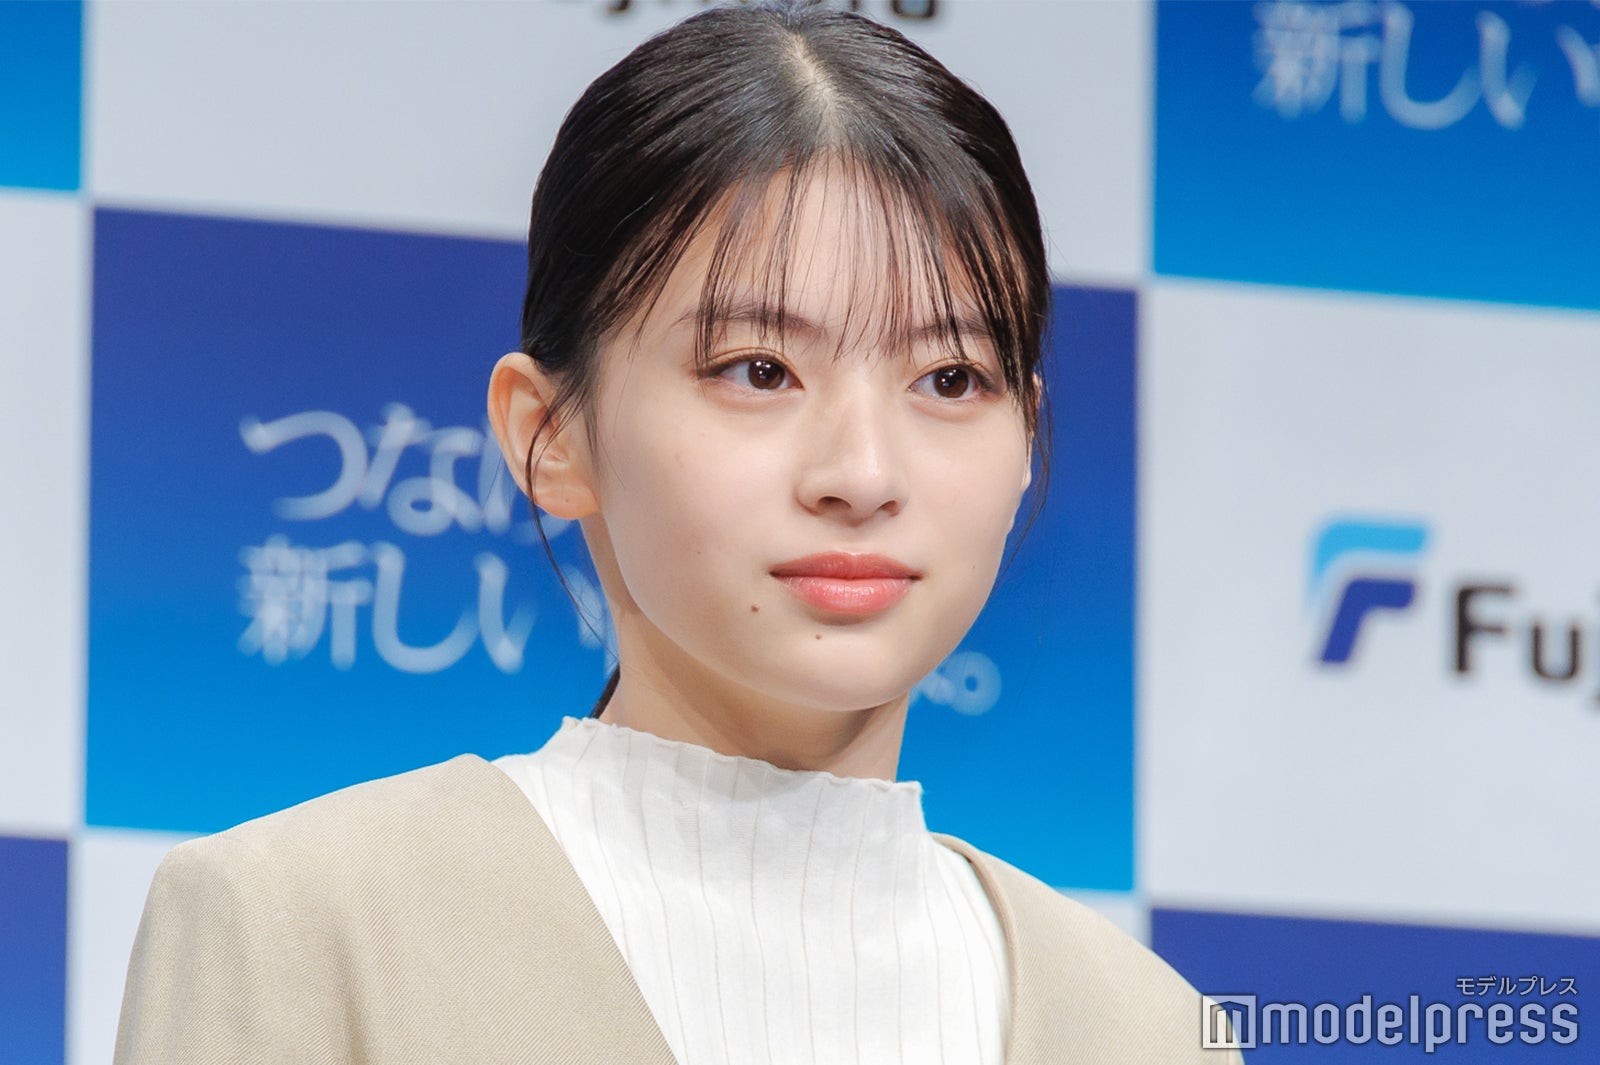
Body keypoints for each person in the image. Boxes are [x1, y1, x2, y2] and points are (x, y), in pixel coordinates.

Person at [114, 3, 1243, 1063]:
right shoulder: (302, 929)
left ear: (1028, 434)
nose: (862, 474)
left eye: (950, 379)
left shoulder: (1144, 1027)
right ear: (549, 433)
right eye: (758, 370)